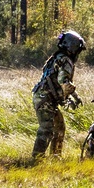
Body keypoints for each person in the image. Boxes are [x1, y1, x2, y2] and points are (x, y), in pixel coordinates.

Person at [31, 28, 85, 159]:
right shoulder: (65, 60)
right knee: (46, 129)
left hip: (44, 98)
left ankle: (55, 157)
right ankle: (37, 159)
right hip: (46, 99)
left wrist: (72, 96)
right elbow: (63, 81)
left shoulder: (56, 58)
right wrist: (73, 97)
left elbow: (59, 82)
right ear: (72, 47)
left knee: (59, 127)